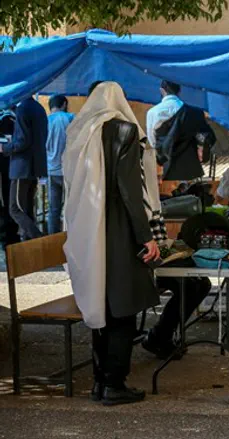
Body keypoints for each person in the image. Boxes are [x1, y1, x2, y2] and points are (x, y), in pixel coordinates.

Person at [63, 81, 161, 405]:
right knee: (122, 308)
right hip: (119, 229)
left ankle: (99, 381)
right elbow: (131, 190)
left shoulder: (79, 130)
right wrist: (146, 237)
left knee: (99, 304)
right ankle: (115, 384)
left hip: (87, 228)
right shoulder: (124, 131)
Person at [1, 96, 47, 241]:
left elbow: (22, 141)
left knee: (15, 209)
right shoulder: (39, 108)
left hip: (22, 167)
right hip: (35, 166)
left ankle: (38, 240)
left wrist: (4, 147)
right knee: (27, 210)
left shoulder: (23, 109)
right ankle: (29, 246)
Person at [152, 81, 216, 182]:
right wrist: (201, 148)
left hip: (165, 171)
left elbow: (152, 144)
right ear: (179, 91)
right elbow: (210, 137)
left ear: (162, 91)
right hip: (190, 170)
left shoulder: (154, 113)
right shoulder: (195, 113)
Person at [45, 95, 74, 234]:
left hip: (51, 170)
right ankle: (70, 237)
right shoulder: (71, 118)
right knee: (71, 207)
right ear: (64, 104)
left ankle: (52, 238)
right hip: (69, 171)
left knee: (53, 209)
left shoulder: (45, 121)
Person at [0, 107, 20, 248]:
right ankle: (9, 237)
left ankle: (7, 236)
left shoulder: (6, 119)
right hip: (8, 167)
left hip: (6, 168)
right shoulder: (8, 120)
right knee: (9, 202)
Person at [145, 80, 184, 150]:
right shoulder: (190, 111)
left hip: (163, 157)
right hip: (187, 156)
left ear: (162, 91)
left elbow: (153, 142)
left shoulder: (152, 112)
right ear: (179, 91)